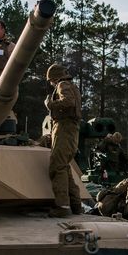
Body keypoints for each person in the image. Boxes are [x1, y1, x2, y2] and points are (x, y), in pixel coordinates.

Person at [45, 64, 82, 218]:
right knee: (65, 168)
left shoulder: (62, 84)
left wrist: (50, 104)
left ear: (54, 78)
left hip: (64, 127)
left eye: (50, 81)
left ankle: (62, 206)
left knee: (57, 166)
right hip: (71, 129)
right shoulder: (71, 85)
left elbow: (68, 102)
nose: (51, 83)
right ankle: (75, 205)